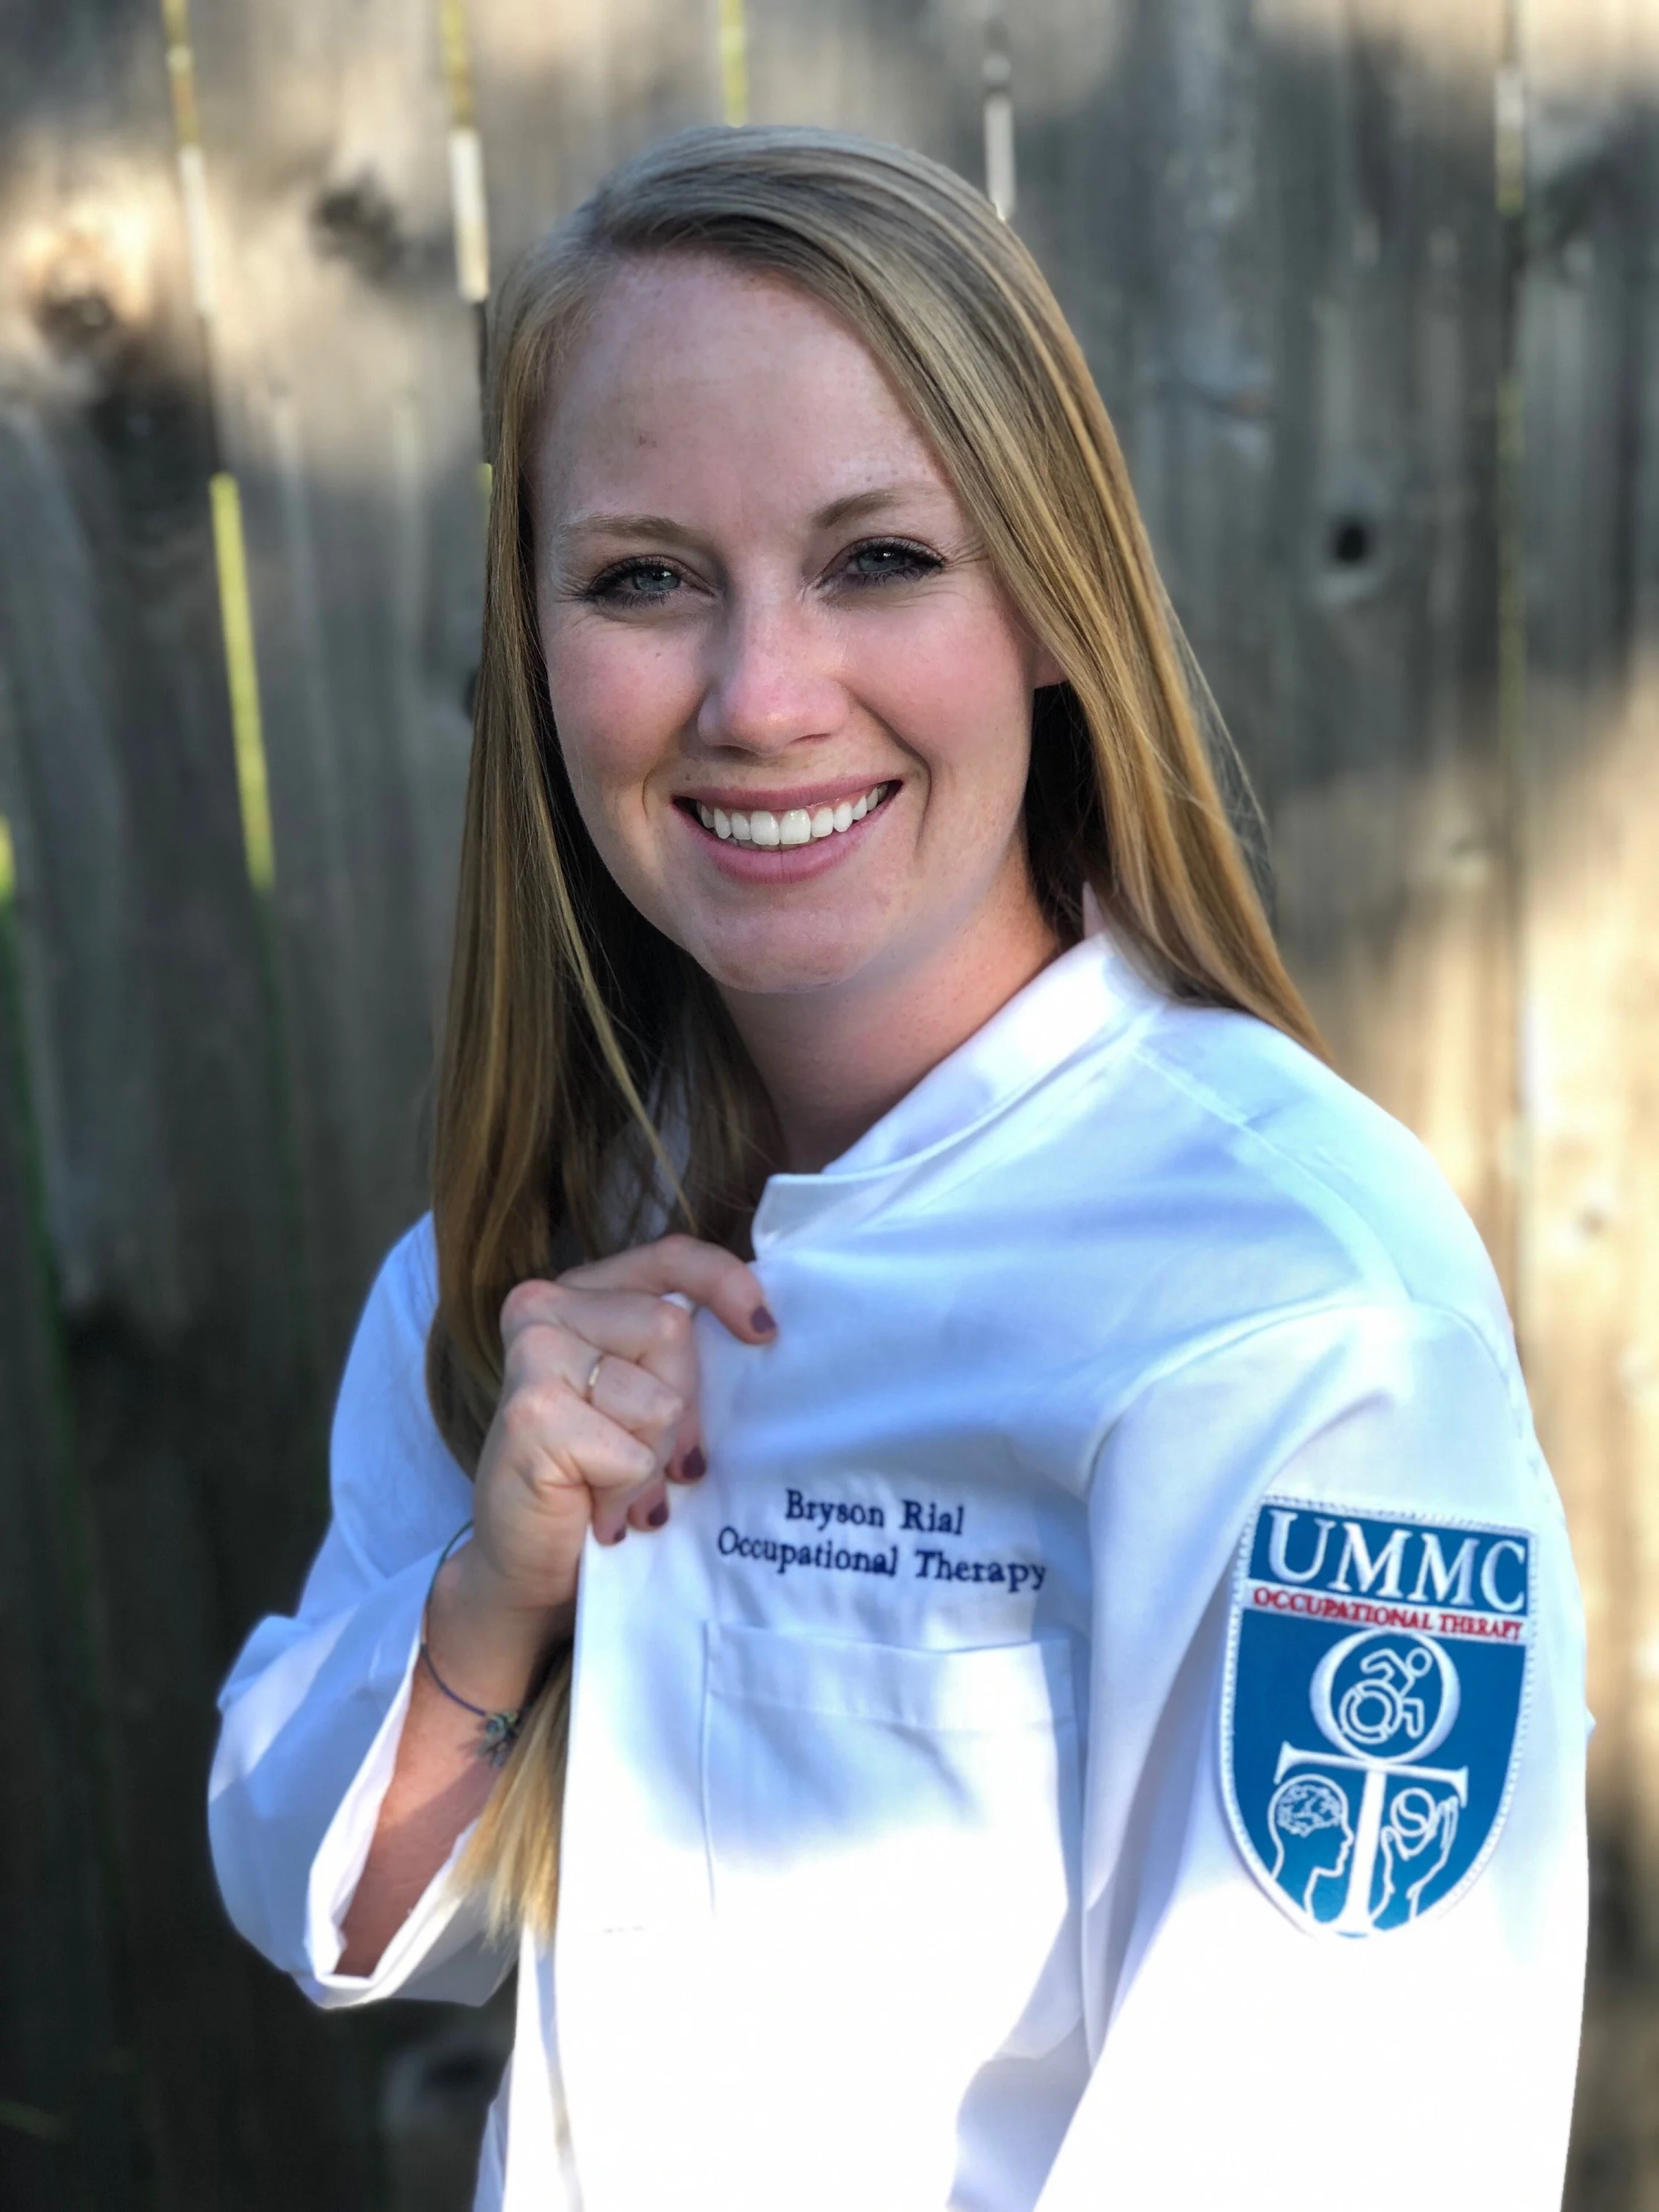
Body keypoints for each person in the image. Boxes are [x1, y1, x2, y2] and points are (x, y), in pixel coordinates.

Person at [208, 126, 1587, 2212]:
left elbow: (1337, 2150)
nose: (761, 699)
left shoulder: (1294, 1311)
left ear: (1047, 598)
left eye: (876, 560)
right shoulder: (527, 1258)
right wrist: (495, 1603)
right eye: (645, 577)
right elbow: (329, 1912)